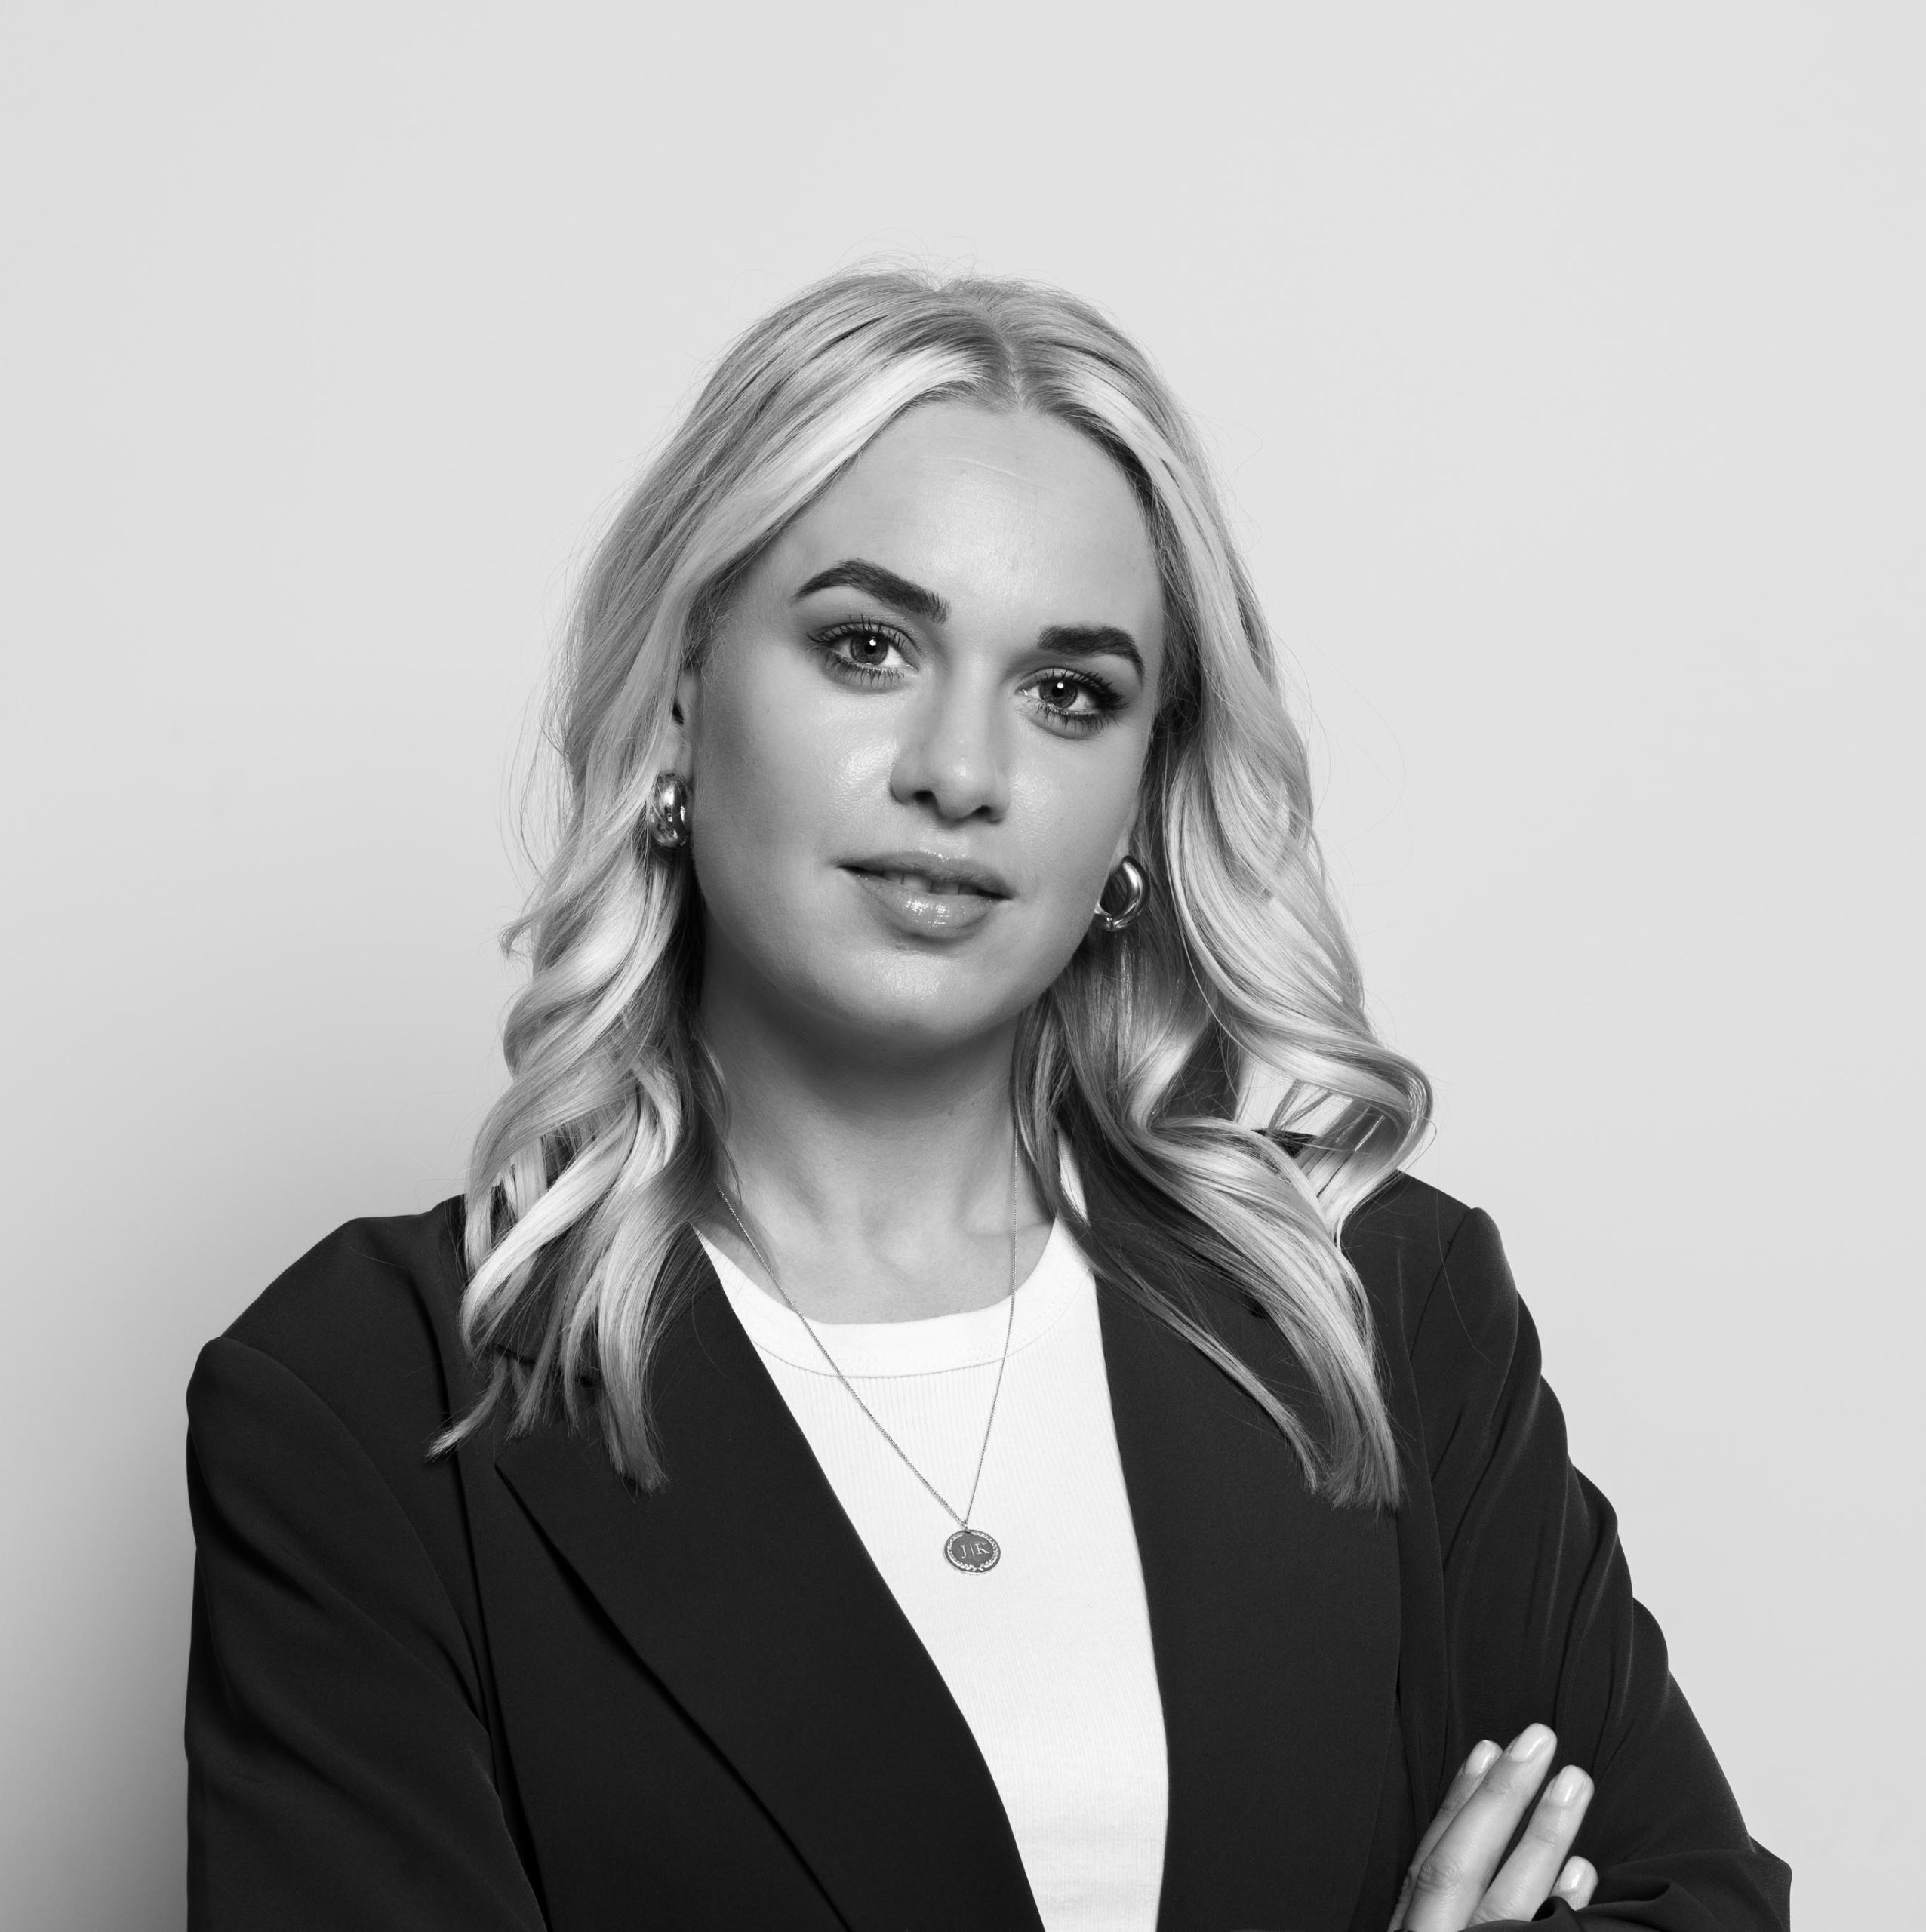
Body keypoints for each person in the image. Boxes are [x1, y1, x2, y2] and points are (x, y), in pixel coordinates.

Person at [183, 269, 1791, 1932]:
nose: (959, 771)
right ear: (680, 691)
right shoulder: (372, 1399)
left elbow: (1696, 1901)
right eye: (866, 647)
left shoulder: (1373, 1304)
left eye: (1068, 692)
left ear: (1139, 798)